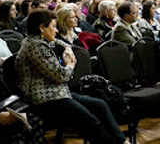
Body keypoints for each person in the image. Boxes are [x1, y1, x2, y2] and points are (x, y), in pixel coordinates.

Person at [16, 9, 129, 144]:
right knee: (91, 122)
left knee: (100, 105)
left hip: (57, 93)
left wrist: (67, 48)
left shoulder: (38, 40)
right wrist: (69, 65)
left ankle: (123, 142)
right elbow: (60, 76)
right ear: (42, 28)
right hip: (45, 100)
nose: (56, 30)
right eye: (53, 26)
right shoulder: (36, 47)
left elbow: (58, 42)